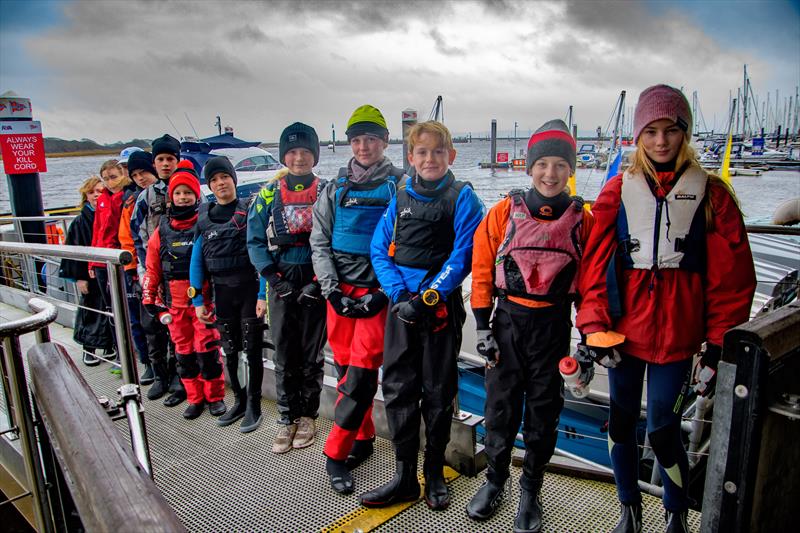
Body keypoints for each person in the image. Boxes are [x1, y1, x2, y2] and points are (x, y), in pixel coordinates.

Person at [576, 85, 756, 533]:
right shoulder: (617, 192)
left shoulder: (713, 196)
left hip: (678, 340)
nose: (661, 141)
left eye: (671, 130)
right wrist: (593, 328)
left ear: (685, 133)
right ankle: (629, 510)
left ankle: (674, 514)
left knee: (662, 429)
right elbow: (594, 270)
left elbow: (731, 282)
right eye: (651, 131)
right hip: (622, 336)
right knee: (620, 425)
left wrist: (717, 345)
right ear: (638, 136)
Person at [465, 119, 594, 533]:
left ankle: (530, 490)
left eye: (560, 164)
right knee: (499, 409)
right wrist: (482, 327)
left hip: (554, 326)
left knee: (543, 413)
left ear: (570, 169)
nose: (550, 173)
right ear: (529, 166)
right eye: (543, 164)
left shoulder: (582, 219)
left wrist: (588, 339)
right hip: (508, 324)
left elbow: (591, 285)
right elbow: (482, 269)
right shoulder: (505, 210)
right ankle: (495, 482)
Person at [363, 121, 483, 510]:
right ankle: (403, 477)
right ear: (410, 157)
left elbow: (463, 255)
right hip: (402, 308)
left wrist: (428, 298)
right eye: (421, 152)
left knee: (438, 393)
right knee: (398, 390)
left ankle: (433, 472)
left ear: (451, 155)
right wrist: (399, 295)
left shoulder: (464, 197)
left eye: (437, 152)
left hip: (439, 310)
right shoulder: (399, 196)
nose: (429, 159)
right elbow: (379, 249)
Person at [310, 104, 405, 494]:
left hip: (376, 298)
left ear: (385, 141)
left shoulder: (399, 186)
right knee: (347, 372)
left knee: (364, 375)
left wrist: (383, 294)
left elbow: (408, 244)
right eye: (356, 140)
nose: (364, 146)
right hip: (340, 297)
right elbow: (319, 242)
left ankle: (334, 454)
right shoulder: (334, 189)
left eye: (371, 139)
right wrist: (331, 290)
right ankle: (362, 439)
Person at [247, 123, 328, 453]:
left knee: (312, 353)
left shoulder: (326, 191)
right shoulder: (268, 193)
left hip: (314, 281)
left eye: (305, 152)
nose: (299, 158)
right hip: (279, 281)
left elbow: (335, 239)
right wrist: (274, 281)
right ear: (284, 156)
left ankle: (308, 416)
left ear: (314, 157)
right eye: (292, 152)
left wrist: (317, 282)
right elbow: (254, 240)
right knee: (284, 352)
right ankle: (286, 417)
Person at [142, 162, 227, 419]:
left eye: (187, 193)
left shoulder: (204, 222)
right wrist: (149, 296)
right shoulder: (162, 229)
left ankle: (215, 397)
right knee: (184, 352)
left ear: (196, 195)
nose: (182, 197)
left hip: (202, 301)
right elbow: (152, 266)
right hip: (174, 302)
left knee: (208, 351)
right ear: (171, 197)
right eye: (178, 193)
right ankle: (194, 397)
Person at [191, 156, 265, 433]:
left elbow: (261, 255)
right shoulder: (205, 219)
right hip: (222, 293)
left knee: (253, 350)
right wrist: (198, 299)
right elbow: (197, 261)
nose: (221, 183)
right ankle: (239, 400)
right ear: (209, 185)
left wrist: (262, 294)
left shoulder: (249, 212)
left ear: (233, 180)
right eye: (214, 179)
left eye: (225, 177)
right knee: (230, 351)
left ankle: (255, 405)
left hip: (248, 288)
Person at [130, 134, 185, 406]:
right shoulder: (145, 197)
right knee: (152, 325)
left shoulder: (187, 190)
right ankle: (159, 374)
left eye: (170, 159)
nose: (165, 164)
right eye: (161, 159)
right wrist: (146, 269)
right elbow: (136, 233)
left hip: (178, 271)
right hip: (152, 272)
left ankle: (179, 375)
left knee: (177, 325)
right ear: (155, 162)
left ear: (178, 160)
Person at [59, 176, 115, 365]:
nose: (96, 195)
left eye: (100, 191)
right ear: (86, 196)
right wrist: (79, 278)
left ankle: (109, 345)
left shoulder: (109, 214)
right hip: (89, 275)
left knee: (110, 309)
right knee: (90, 311)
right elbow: (73, 250)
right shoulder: (79, 222)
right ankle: (88, 348)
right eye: (91, 192)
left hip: (106, 272)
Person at [88, 159, 131, 375]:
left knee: (125, 308)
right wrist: (91, 260)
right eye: (106, 178)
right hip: (102, 259)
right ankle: (118, 353)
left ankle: (130, 353)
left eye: (113, 177)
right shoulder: (103, 199)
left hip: (119, 257)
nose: (110, 182)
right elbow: (97, 230)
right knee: (111, 309)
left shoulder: (124, 197)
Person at [118, 150, 155, 384]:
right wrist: (132, 268)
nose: (141, 178)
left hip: (168, 269)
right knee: (142, 321)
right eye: (135, 174)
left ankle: (174, 370)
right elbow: (128, 236)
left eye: (144, 172)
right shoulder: (131, 203)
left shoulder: (170, 194)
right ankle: (150, 364)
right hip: (140, 269)